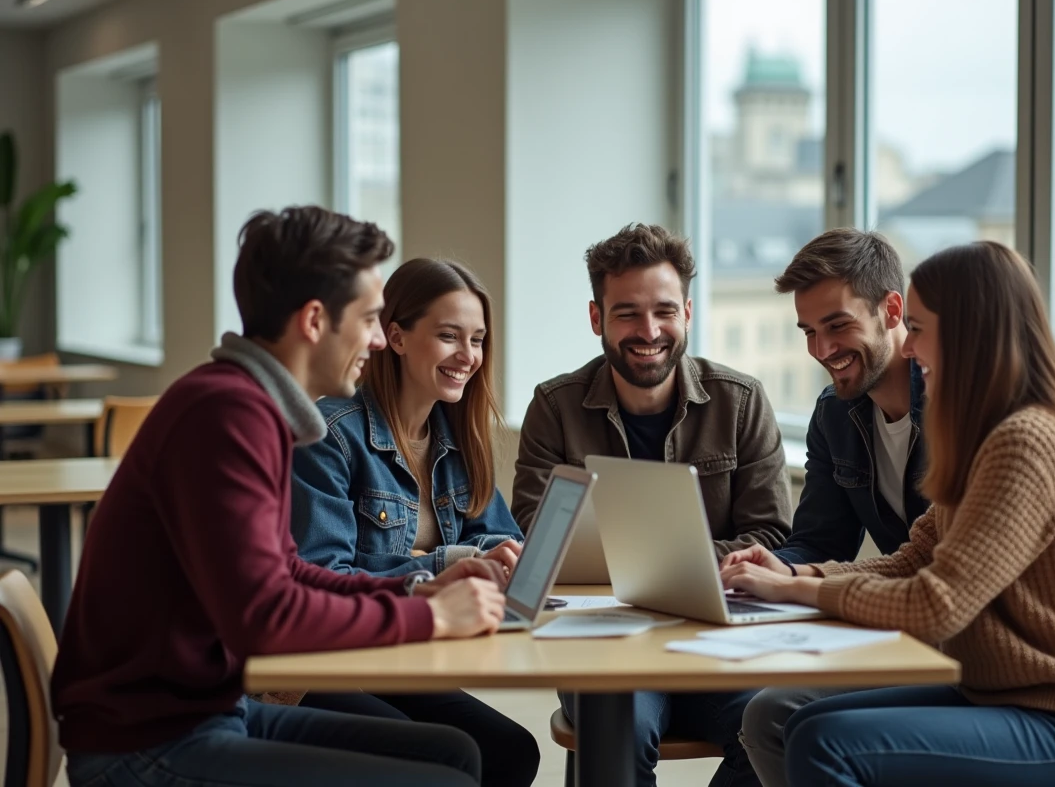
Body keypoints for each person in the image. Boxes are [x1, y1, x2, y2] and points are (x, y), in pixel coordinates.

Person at [51, 206, 510, 787]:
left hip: (211, 713)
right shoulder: (227, 415)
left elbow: (289, 573)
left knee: (457, 756)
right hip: (145, 741)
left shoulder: (250, 406)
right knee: (444, 780)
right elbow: (264, 619)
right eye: (370, 319)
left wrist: (414, 588)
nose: (377, 339)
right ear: (315, 320)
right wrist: (430, 616)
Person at [723, 241, 1055, 787]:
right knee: (787, 720)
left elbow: (936, 605)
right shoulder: (982, 436)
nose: (908, 348)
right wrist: (795, 575)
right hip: (999, 692)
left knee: (824, 742)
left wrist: (797, 589)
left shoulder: (1027, 440)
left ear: (970, 334)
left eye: (919, 329)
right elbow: (914, 560)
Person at [513, 222, 792, 787]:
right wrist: (671, 566)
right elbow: (537, 532)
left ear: (687, 312)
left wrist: (657, 568)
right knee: (617, 729)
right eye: (627, 314)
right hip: (604, 645)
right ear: (597, 318)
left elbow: (770, 533)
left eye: (664, 311)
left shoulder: (741, 402)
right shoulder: (554, 407)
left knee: (780, 724)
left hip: (716, 644)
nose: (649, 331)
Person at [289, 257, 539, 787]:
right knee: (442, 759)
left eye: (477, 340)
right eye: (449, 336)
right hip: (318, 666)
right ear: (396, 337)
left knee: (511, 752)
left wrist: (494, 557)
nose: (468, 356)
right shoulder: (330, 435)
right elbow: (324, 577)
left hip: (399, 654)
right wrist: (446, 565)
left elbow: (497, 534)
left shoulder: (454, 433)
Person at [726, 229, 929, 787]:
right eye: (809, 332)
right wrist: (777, 569)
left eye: (837, 325)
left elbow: (938, 572)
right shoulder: (835, 414)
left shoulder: (954, 408)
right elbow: (820, 540)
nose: (821, 350)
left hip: (937, 632)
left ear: (892, 310)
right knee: (765, 711)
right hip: (900, 625)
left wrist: (800, 583)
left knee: (779, 715)